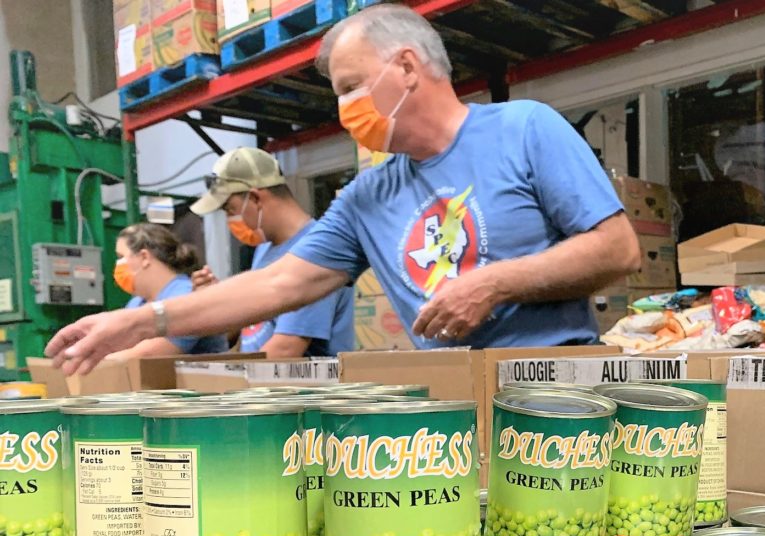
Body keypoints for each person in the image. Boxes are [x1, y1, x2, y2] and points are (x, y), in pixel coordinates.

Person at [46, 4, 640, 375]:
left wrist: (492, 282)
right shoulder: (367, 196)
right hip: (452, 393)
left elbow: (617, 248)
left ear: (408, 67)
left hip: (554, 387)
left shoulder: (524, 129)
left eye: (352, 86)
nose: (345, 106)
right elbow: (277, 283)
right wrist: (143, 322)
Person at [189, 147, 354, 358]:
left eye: (230, 210)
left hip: (300, 389)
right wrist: (216, 301)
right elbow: (249, 326)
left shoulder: (318, 251)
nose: (230, 220)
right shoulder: (265, 249)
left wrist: (234, 385)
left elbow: (286, 348)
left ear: (256, 198)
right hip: (264, 386)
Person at [107, 223, 228, 358]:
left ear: (144, 257)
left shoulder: (187, 296)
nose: (117, 265)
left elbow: (148, 354)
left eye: (121, 257)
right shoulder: (136, 303)